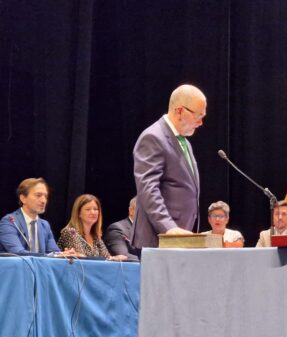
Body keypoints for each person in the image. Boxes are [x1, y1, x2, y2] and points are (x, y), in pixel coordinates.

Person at [132, 84, 207, 249]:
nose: (201, 122)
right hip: (159, 239)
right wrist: (169, 228)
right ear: (179, 111)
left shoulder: (185, 142)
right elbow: (148, 189)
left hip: (180, 239)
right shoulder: (153, 137)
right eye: (198, 115)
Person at [0, 178, 74, 255]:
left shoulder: (45, 225)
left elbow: (53, 252)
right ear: (23, 198)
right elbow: (18, 252)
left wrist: (65, 255)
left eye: (45, 196)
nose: (43, 201)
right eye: (38, 195)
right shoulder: (10, 222)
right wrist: (49, 256)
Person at [58, 194, 127, 260]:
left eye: (96, 209)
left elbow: (106, 257)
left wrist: (115, 258)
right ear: (78, 213)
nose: (93, 212)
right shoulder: (70, 232)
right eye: (88, 209)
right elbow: (81, 258)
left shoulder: (96, 236)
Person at [103, 197, 140, 261]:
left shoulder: (150, 232)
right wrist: (150, 260)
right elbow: (123, 256)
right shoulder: (116, 229)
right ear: (131, 210)